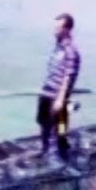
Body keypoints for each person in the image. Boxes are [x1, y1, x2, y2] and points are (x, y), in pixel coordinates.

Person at [37, 13, 80, 160]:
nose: (54, 30)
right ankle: (45, 150)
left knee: (60, 126)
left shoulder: (71, 51)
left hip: (58, 95)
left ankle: (60, 154)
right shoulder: (57, 47)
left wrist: (61, 98)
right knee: (43, 122)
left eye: (58, 27)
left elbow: (68, 76)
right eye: (54, 26)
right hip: (47, 90)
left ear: (67, 29)